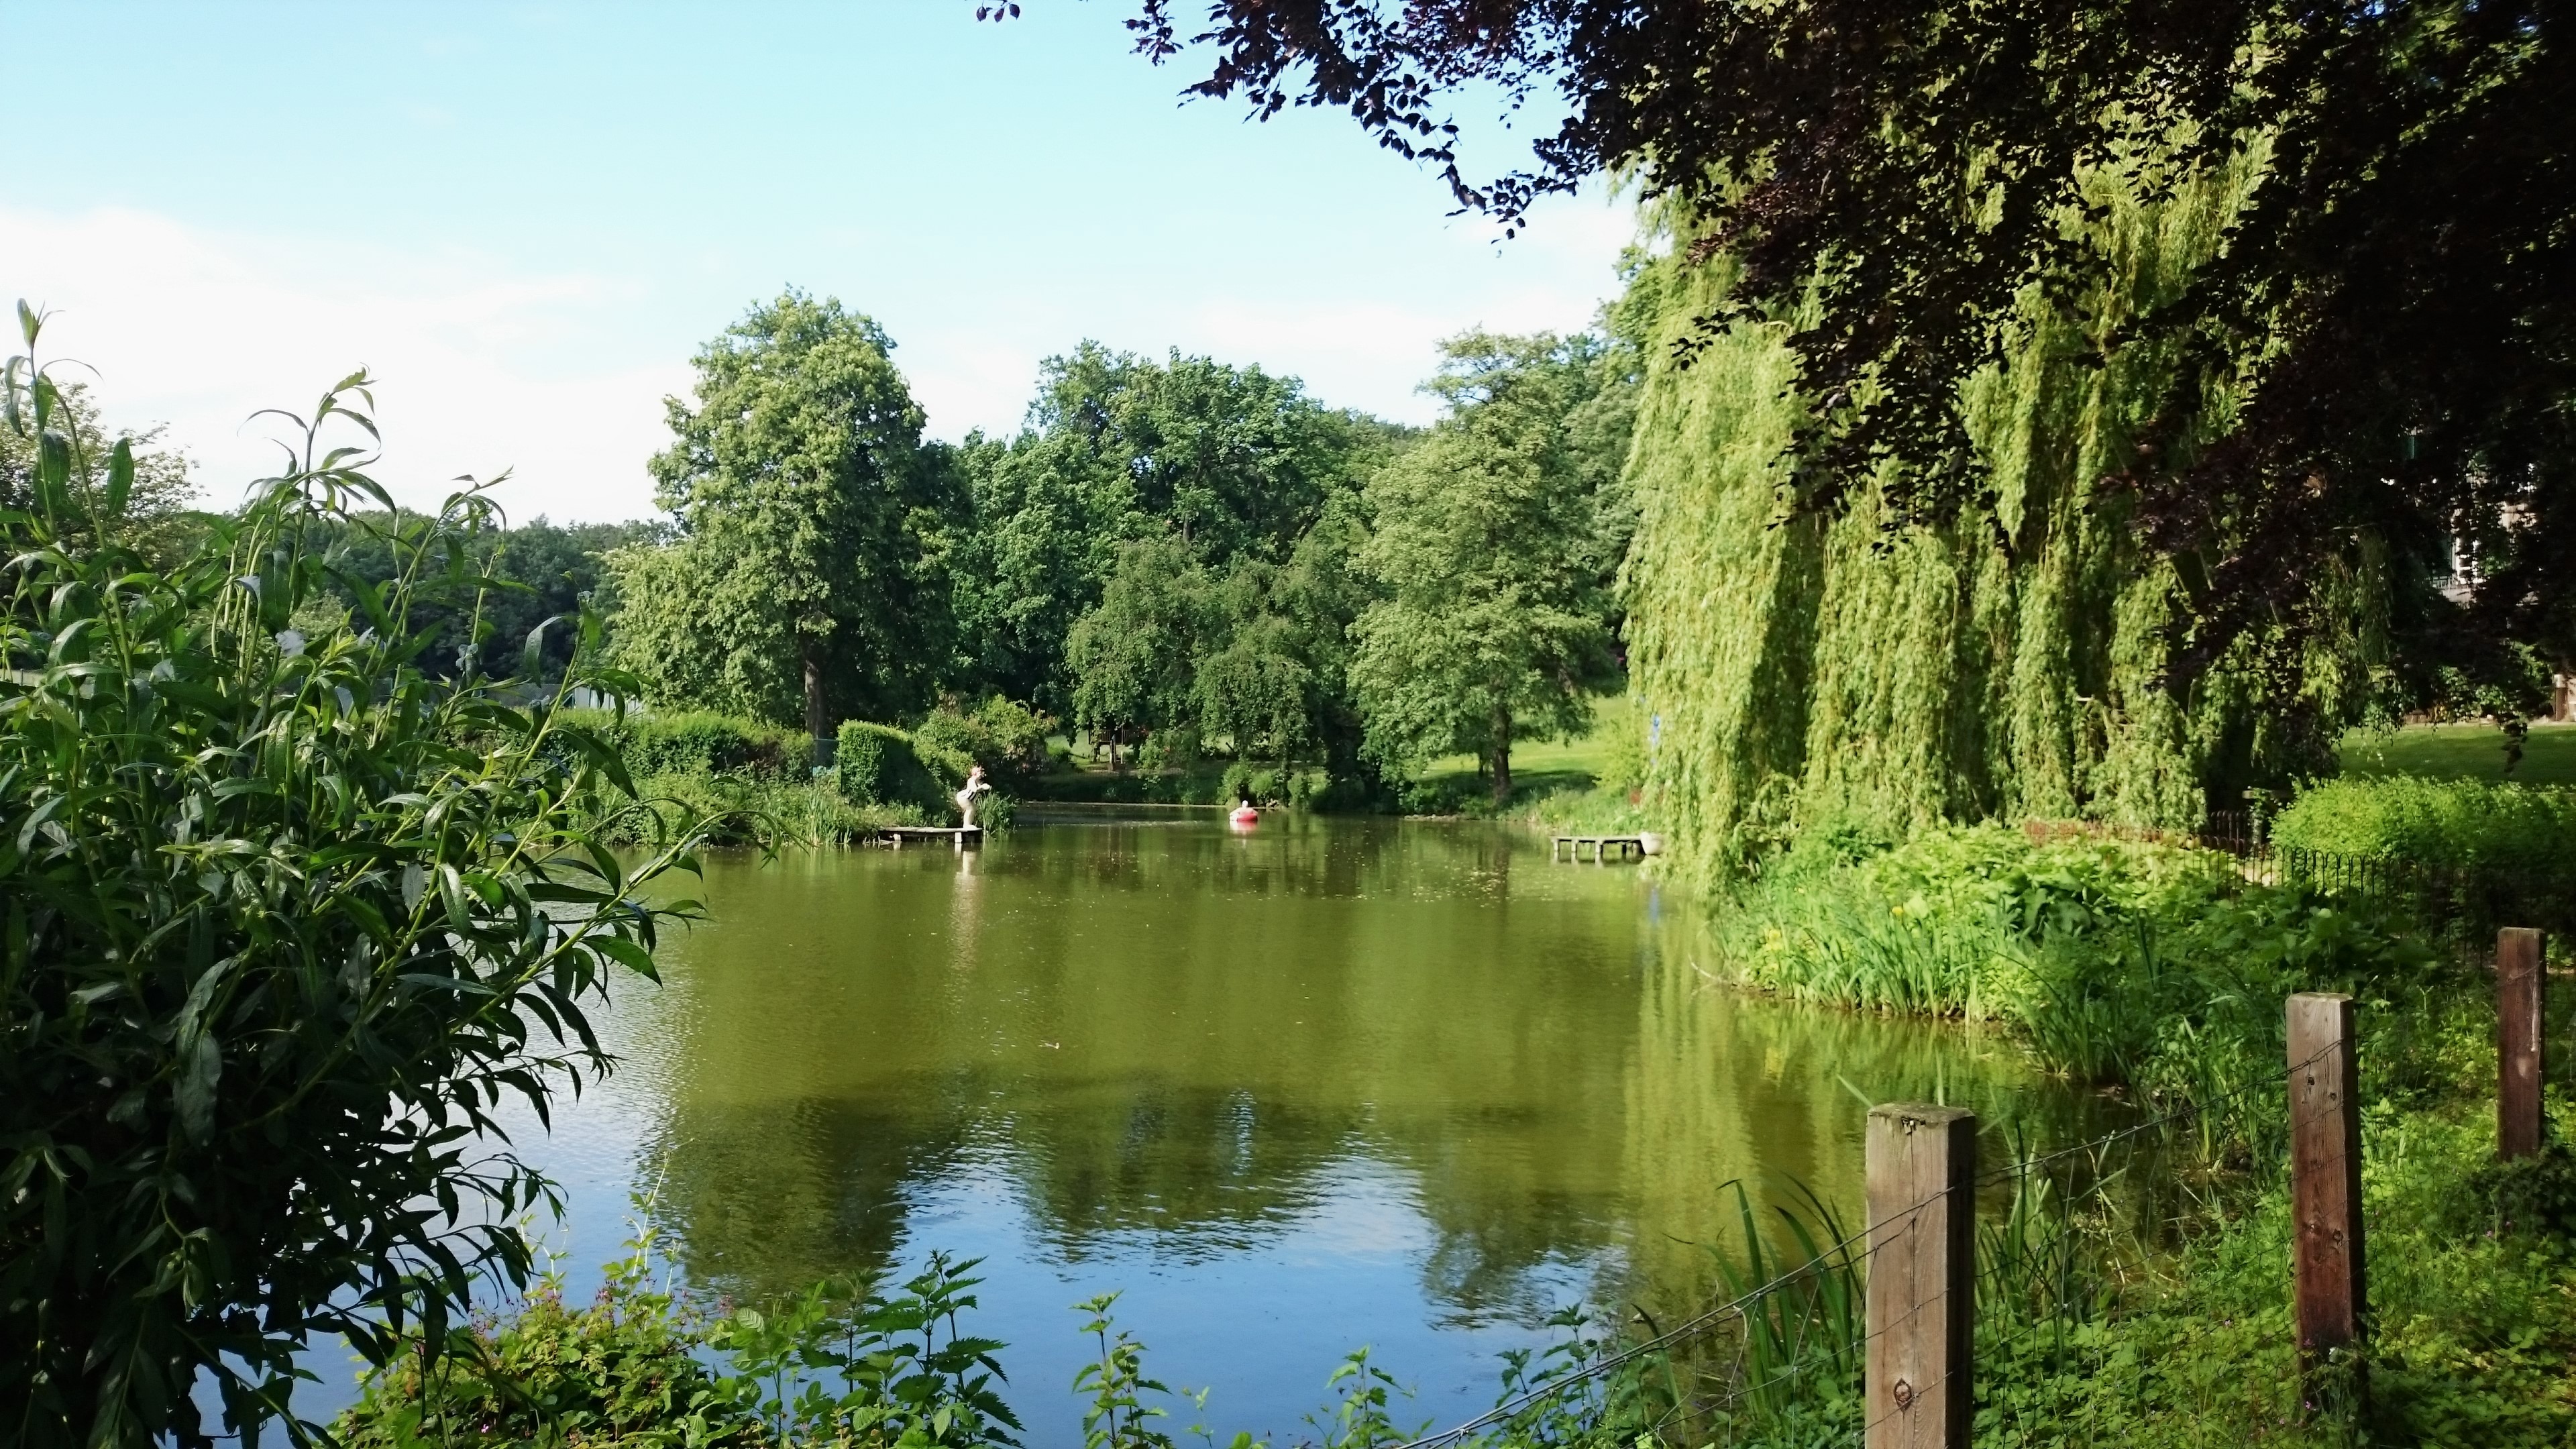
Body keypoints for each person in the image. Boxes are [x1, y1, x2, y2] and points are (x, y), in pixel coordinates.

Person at [955, 764, 993, 830]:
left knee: (974, 808)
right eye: (979, 772)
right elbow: (975, 789)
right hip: (963, 797)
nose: (981, 774)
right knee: (969, 808)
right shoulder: (971, 780)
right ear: (975, 773)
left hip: (968, 799)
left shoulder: (977, 782)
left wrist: (986, 787)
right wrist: (983, 787)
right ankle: (966, 825)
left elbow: (980, 788)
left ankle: (969, 824)